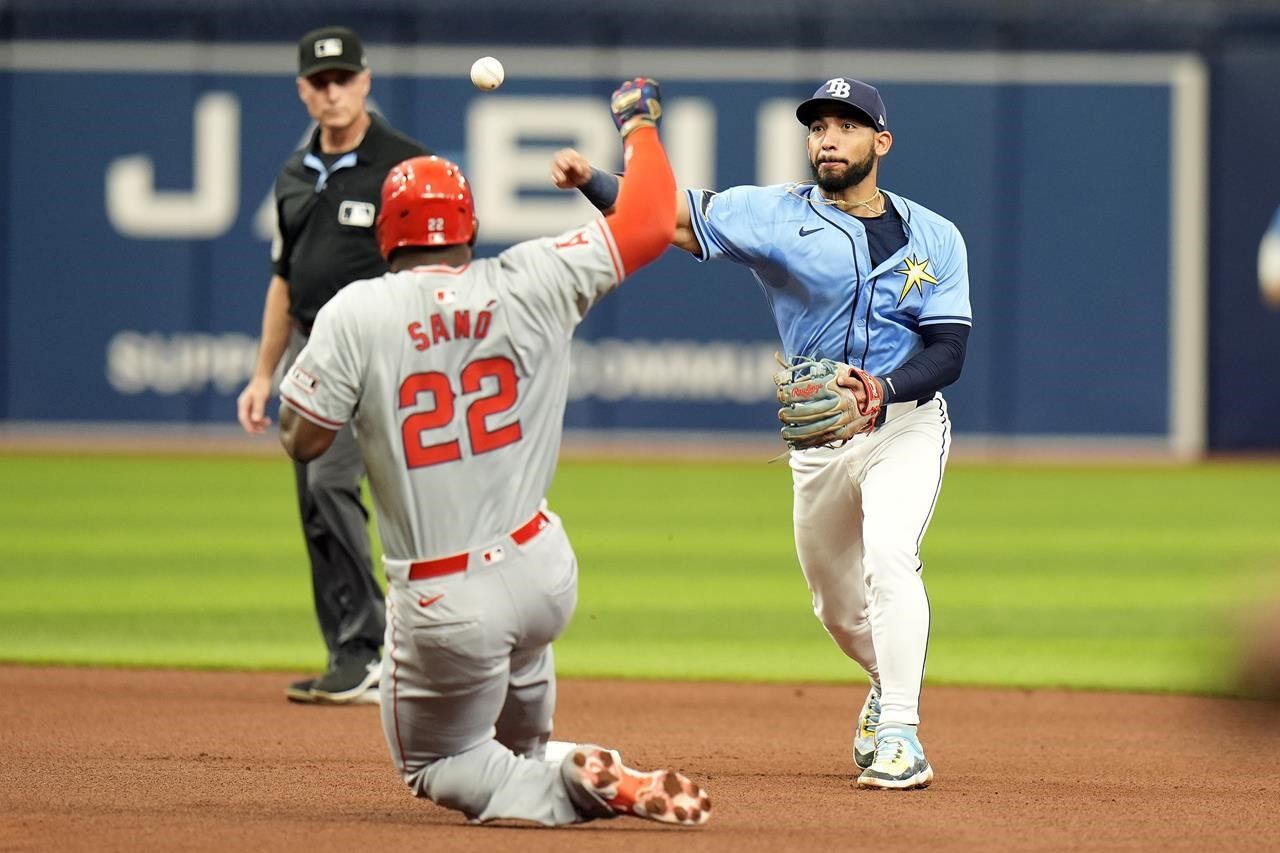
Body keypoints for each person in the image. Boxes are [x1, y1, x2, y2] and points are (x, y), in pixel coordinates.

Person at [275, 78, 712, 826]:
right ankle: (571, 760)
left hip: (446, 600)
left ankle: (567, 787)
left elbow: (305, 437)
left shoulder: (357, 311)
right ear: (468, 225)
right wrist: (637, 124)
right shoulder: (536, 275)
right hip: (542, 569)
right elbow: (646, 220)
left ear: (387, 233)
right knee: (516, 734)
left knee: (436, 762)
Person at [552, 76, 971, 790]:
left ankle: (901, 733)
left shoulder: (935, 234)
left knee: (891, 558)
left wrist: (882, 389)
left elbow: (948, 351)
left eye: (845, 125)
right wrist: (591, 177)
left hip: (903, 422)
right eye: (818, 127)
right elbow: (664, 217)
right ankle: (885, 677)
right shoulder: (774, 214)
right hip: (818, 440)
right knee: (837, 606)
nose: (827, 138)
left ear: (881, 141)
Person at [236, 26, 431, 704]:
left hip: (378, 349)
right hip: (309, 350)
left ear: (365, 81)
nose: (332, 91)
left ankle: (375, 645)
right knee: (313, 498)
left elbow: (435, 268)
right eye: (319, 82)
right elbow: (284, 282)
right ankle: (350, 651)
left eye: (343, 78)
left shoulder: (402, 165)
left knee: (331, 484)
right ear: (302, 91)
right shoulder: (293, 174)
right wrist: (264, 375)